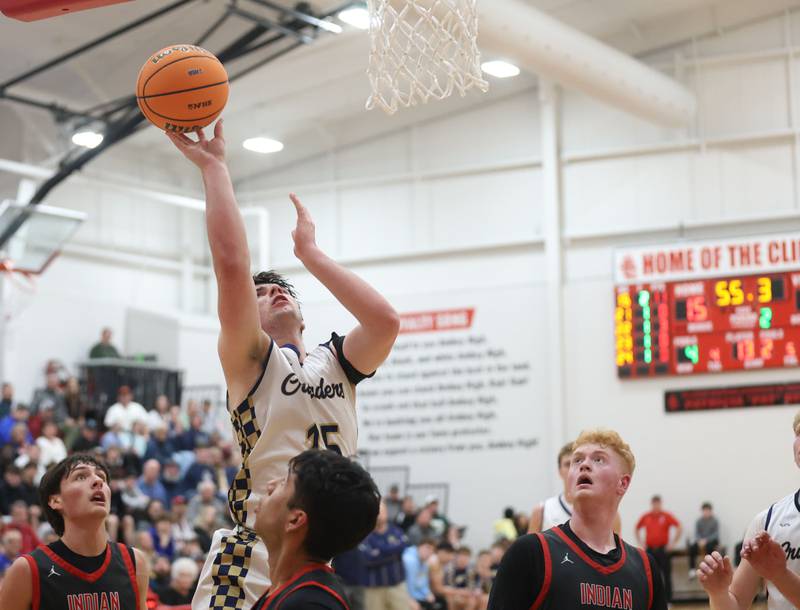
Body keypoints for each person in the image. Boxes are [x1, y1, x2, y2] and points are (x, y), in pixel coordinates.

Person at [167, 120, 399, 610]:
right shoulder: (251, 360)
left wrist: (310, 254)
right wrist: (214, 166)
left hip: (315, 551)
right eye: (261, 294)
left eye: (282, 290)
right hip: (252, 549)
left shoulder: (335, 362)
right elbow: (231, 265)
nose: (274, 293)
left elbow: (384, 321)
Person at [487, 429, 667, 610]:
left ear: (623, 483)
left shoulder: (646, 568)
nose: (584, 465)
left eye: (598, 459)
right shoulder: (528, 552)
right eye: (577, 460)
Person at [0, 453, 149, 610]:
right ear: (56, 501)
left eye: (102, 477)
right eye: (81, 476)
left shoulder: (134, 562)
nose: (98, 481)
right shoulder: (28, 570)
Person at [250, 449, 380, 609]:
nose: (270, 485)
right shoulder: (295, 593)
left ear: (295, 520)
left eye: (284, 483)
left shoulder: (310, 604)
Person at [697, 410, 800, 609]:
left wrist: (780, 575)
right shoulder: (768, 521)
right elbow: (736, 604)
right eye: (798, 433)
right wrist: (718, 593)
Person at [529, 442, 623, 535]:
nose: (571, 469)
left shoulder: (609, 513)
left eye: (577, 462)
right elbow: (530, 550)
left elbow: (616, 550)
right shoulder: (542, 511)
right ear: (559, 471)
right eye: (567, 464)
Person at [362, 500, 410, 610]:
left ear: (386, 513)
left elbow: (403, 547)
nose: (379, 515)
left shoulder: (397, 531)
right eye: (376, 512)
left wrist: (379, 552)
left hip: (397, 586)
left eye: (381, 511)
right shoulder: (364, 535)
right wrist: (393, 553)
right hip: (373, 588)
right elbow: (367, 559)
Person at [635, 495, 682, 602]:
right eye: (654, 504)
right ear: (652, 504)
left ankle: (668, 601)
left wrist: (673, 543)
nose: (656, 506)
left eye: (658, 503)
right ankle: (651, 601)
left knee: (666, 575)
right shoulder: (646, 516)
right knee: (649, 576)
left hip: (663, 551)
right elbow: (637, 528)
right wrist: (641, 542)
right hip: (650, 551)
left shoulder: (666, 516)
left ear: (660, 504)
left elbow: (679, 526)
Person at [688, 501, 720, 577]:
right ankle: (692, 569)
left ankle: (709, 566)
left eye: (707, 510)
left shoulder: (715, 521)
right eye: (704, 510)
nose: (706, 512)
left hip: (711, 541)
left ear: (710, 511)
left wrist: (706, 540)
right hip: (700, 541)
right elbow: (697, 533)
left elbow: (715, 534)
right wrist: (700, 540)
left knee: (709, 547)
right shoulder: (699, 521)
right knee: (692, 548)